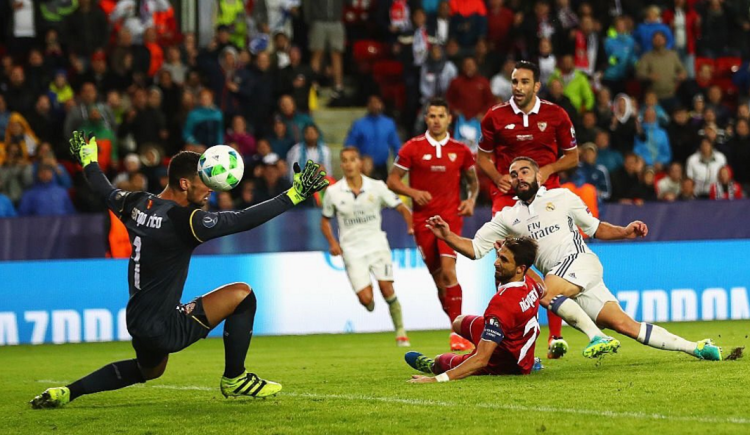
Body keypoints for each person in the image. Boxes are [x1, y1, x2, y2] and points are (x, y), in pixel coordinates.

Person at [30, 131, 329, 408]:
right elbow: (241, 219)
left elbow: (103, 188)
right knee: (243, 295)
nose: (210, 188)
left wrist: (88, 160)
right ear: (184, 183)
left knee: (148, 370)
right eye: (204, 181)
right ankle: (235, 377)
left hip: (138, 320)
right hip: (163, 326)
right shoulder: (185, 221)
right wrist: (294, 195)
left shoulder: (135, 203)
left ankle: (67, 392)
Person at [425, 156, 722, 362]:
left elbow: (596, 228)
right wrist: (447, 235)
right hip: (566, 276)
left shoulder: (562, 198)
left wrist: (626, 231)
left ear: (538, 175)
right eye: (514, 174)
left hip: (580, 262)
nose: (519, 177)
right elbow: (476, 249)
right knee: (625, 325)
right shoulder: (506, 217)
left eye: (525, 171)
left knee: (543, 292)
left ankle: (596, 338)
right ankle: (697, 348)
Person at [477, 61, 577, 358]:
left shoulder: (555, 115)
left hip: (546, 197)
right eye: (514, 81)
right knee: (504, 260)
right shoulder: (495, 116)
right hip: (507, 197)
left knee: (551, 262)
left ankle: (555, 336)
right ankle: (510, 334)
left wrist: (549, 168)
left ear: (536, 86)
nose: (518, 87)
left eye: (524, 82)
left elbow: (572, 157)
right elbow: (482, 157)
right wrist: (497, 177)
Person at [387, 98, 478, 352]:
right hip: (423, 221)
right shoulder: (412, 148)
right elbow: (392, 181)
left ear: (449, 119)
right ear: (426, 119)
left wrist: (470, 201)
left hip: (450, 219)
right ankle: (456, 325)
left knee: (449, 272)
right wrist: (413, 192)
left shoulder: (461, 150)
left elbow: (473, 182)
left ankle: (457, 332)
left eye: (441, 116)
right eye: (432, 116)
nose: (436, 120)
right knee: (440, 281)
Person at [405, 237, 543, 382]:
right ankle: (525, 358)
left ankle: (433, 366)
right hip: (516, 340)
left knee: (441, 360)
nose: (496, 263)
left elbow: (481, 360)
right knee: (458, 322)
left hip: (503, 361)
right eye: (498, 256)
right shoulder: (529, 283)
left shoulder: (502, 304)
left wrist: (435, 379)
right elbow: (543, 288)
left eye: (504, 260)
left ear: (520, 269)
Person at [321, 147, 414, 346]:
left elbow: (402, 207)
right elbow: (325, 220)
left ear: (360, 163)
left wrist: (410, 225)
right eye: (344, 160)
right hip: (352, 250)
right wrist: (332, 243)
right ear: (341, 165)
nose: (348, 164)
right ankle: (368, 298)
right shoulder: (333, 192)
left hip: (377, 245)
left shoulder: (377, 186)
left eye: (352, 159)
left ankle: (401, 332)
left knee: (387, 288)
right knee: (366, 300)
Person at [344, 96, 401, 181]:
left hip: (382, 166)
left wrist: (399, 166)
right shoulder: (359, 124)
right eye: (372, 103)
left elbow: (396, 146)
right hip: (364, 167)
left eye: (377, 103)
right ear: (368, 105)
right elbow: (349, 145)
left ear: (382, 105)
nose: (375, 105)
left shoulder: (389, 123)